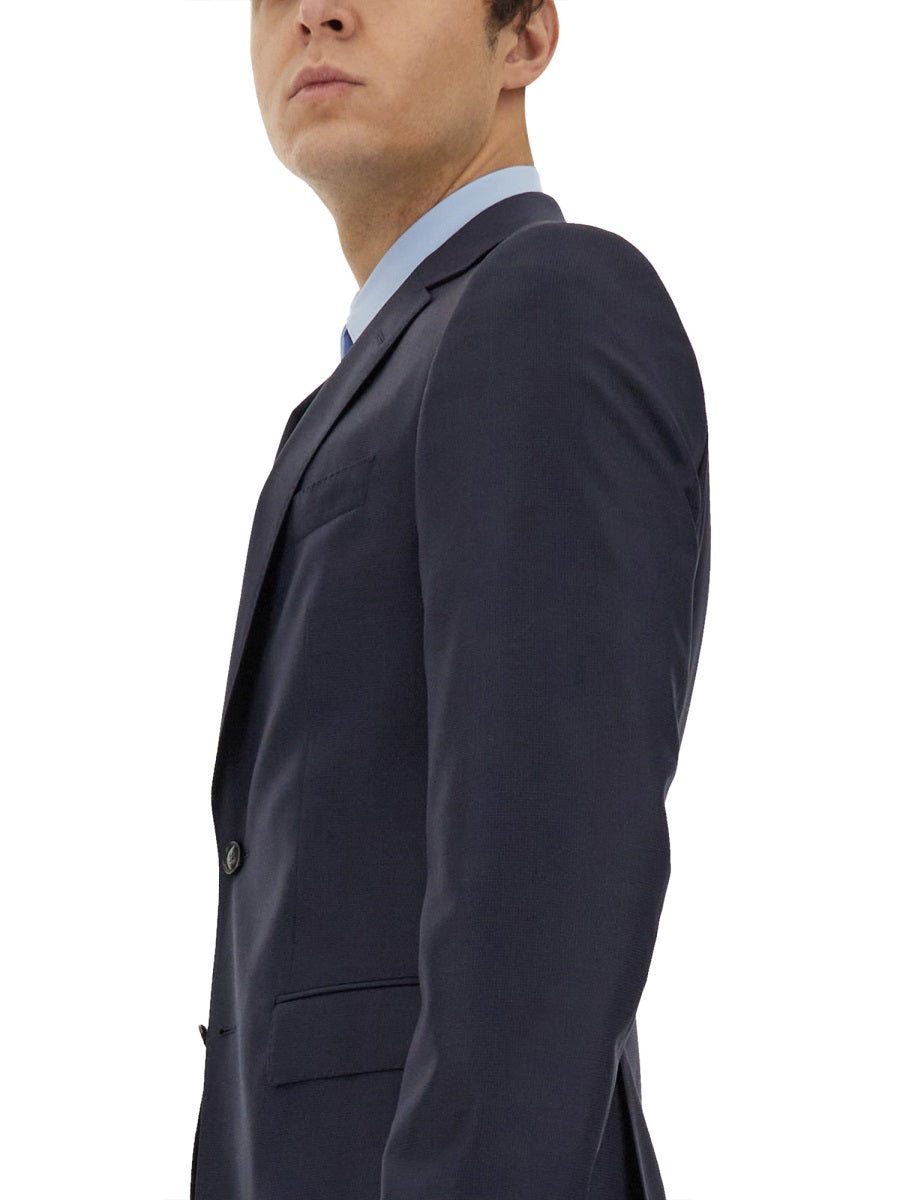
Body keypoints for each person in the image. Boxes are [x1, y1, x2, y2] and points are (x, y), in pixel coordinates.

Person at [190, 1, 711, 1197]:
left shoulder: (549, 301)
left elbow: (548, 890)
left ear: (523, 41)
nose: (312, 13)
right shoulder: (366, 389)